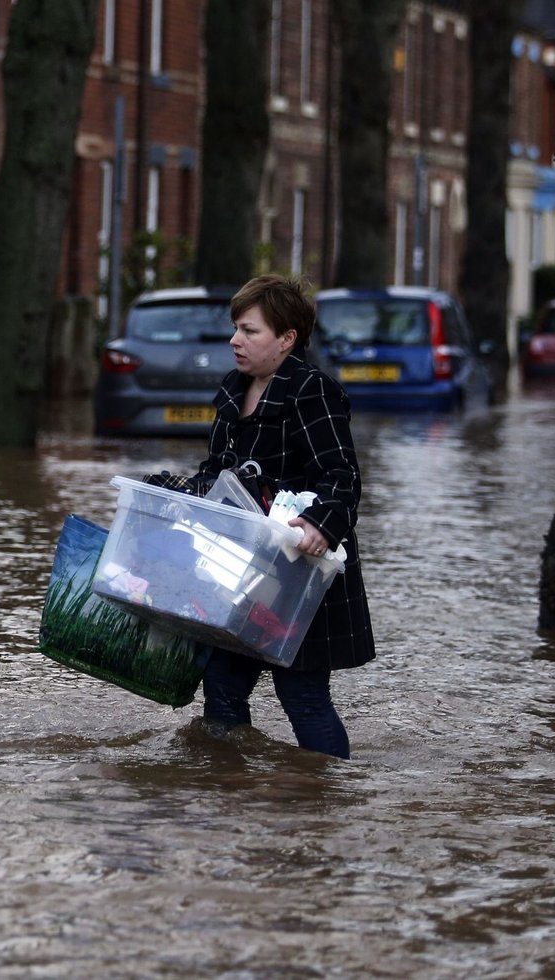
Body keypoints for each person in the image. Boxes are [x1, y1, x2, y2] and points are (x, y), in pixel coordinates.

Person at [190, 274, 375, 758]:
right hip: (242, 573)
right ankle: (228, 791)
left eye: (249, 331)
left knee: (303, 698)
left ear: (287, 338)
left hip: (303, 575)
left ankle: (323, 802)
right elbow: (216, 473)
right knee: (223, 687)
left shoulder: (312, 391)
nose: (235, 340)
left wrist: (320, 522)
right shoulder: (233, 390)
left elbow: (343, 477)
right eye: (236, 328)